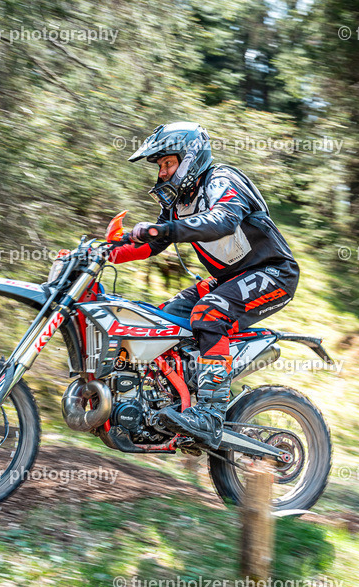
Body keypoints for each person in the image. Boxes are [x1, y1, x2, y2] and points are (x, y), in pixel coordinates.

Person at [109, 121, 299, 449]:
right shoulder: (177, 202)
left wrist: (166, 230)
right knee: (163, 320)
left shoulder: (222, 180)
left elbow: (222, 220)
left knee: (210, 313)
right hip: (230, 279)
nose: (163, 172)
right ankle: (173, 403)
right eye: (161, 166)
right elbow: (152, 244)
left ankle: (210, 413)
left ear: (191, 157)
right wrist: (104, 252)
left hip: (274, 272)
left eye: (169, 163)